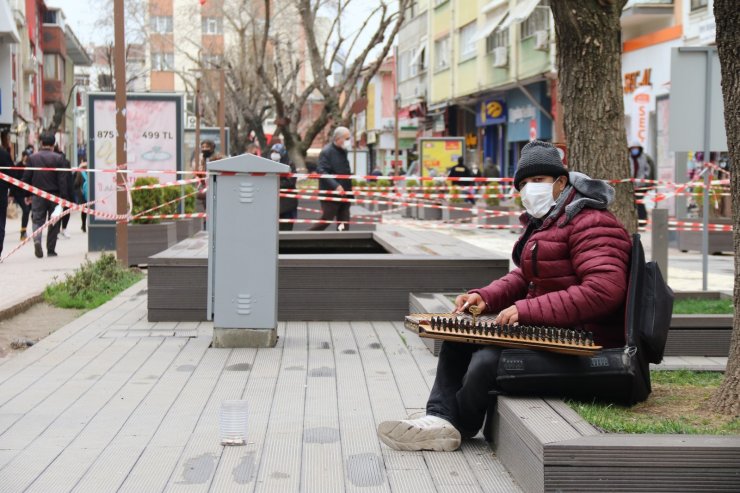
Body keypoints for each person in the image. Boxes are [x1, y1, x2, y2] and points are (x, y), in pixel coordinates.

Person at [377, 140, 632, 452]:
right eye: (523, 184)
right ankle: (439, 419)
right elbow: (526, 276)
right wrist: (485, 296)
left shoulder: (592, 222)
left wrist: (527, 310)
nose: (529, 190)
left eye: (537, 181)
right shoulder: (549, 221)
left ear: (561, 182)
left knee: (486, 361)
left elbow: (603, 290)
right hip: (556, 329)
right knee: (460, 335)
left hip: (588, 342)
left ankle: (458, 425)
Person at [22, 133, 70, 258]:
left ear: (41, 144)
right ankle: (51, 250)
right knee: (54, 221)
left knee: (37, 219)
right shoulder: (59, 158)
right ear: (53, 145)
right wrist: (64, 198)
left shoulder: (33, 158)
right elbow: (62, 180)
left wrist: (27, 194)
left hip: (38, 194)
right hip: (54, 195)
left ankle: (37, 240)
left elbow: (27, 177)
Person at [308, 127, 353, 231]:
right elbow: (322, 171)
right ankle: (305, 237)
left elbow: (344, 172)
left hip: (345, 193)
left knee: (344, 221)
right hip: (330, 193)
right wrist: (336, 185)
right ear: (338, 138)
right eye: (347, 138)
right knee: (326, 219)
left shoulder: (343, 151)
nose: (348, 141)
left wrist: (348, 190)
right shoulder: (327, 151)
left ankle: (343, 241)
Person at [270, 143, 298, 231]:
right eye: (273, 152)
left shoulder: (290, 164)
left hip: (287, 203)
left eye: (276, 152)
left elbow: (291, 181)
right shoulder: (268, 163)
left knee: (286, 228)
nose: (274, 154)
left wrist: (275, 182)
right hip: (274, 202)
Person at [7, 149, 33, 240]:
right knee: (26, 210)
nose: (27, 158)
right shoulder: (18, 166)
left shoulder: (31, 166)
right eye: (26, 156)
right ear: (23, 156)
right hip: (18, 193)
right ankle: (23, 232)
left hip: (27, 193)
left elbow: (31, 181)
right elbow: (14, 181)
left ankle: (26, 230)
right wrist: (11, 195)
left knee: (28, 212)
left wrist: (30, 195)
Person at [628, 141, 655, 221]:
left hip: (641, 185)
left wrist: (647, 181)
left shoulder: (645, 158)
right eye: (633, 148)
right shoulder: (627, 157)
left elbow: (649, 170)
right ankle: (635, 219)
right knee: (633, 202)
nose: (634, 150)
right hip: (630, 184)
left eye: (636, 148)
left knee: (639, 201)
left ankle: (642, 220)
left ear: (639, 149)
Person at [53, 144, 74, 239]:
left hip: (57, 191)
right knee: (64, 211)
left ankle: (57, 230)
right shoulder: (64, 161)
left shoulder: (61, 161)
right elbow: (69, 179)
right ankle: (62, 229)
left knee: (57, 212)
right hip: (63, 192)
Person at [0, 145, 12, 257]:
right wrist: (11, 193)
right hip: (2, 193)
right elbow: (12, 174)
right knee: (1, 222)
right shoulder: (4, 154)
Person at [73, 162, 89, 232]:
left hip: (83, 195)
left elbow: (76, 184)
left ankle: (83, 225)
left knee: (84, 211)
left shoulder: (80, 173)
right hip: (92, 194)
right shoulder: (93, 171)